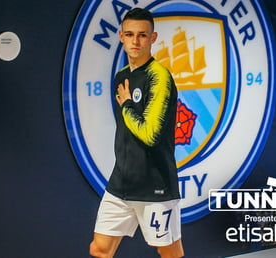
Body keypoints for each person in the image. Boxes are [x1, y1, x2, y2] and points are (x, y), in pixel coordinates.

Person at [89, 7, 184, 258]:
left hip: (155, 185)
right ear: (121, 36)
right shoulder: (121, 76)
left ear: (152, 38)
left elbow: (150, 134)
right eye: (130, 34)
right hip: (121, 182)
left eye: (142, 35)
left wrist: (128, 105)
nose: (135, 41)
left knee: (169, 253)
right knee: (100, 249)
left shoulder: (160, 77)